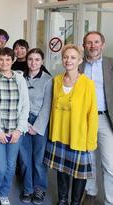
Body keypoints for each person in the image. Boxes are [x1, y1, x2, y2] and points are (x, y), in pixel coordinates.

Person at [43, 44, 98, 205]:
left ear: (80, 60)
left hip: (78, 135)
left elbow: (92, 114)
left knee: (78, 173)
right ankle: (62, 200)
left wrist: (90, 141)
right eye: (66, 57)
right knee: (62, 170)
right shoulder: (57, 80)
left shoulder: (88, 84)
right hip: (59, 134)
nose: (69, 60)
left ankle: (75, 202)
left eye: (73, 57)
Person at [0, 47, 29, 205]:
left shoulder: (20, 79)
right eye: (1, 59)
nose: (4, 62)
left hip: (15, 131)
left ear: (13, 60)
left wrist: (19, 130)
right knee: (0, 167)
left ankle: (4, 194)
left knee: (10, 167)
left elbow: (25, 107)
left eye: (8, 59)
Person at [79, 31, 113, 205]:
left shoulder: (110, 64)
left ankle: (110, 201)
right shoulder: (78, 65)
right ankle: (90, 192)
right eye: (89, 43)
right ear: (84, 45)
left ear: (103, 44)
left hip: (106, 119)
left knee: (109, 164)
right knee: (89, 159)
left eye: (96, 42)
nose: (93, 46)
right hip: (83, 120)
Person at [18, 48, 52, 204]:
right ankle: (28, 188)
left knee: (38, 159)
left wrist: (36, 127)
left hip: (40, 122)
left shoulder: (48, 80)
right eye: (30, 59)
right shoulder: (19, 77)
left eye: (37, 59)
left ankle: (39, 189)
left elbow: (47, 106)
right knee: (24, 159)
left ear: (42, 61)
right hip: (22, 121)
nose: (33, 62)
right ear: (27, 60)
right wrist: (24, 124)